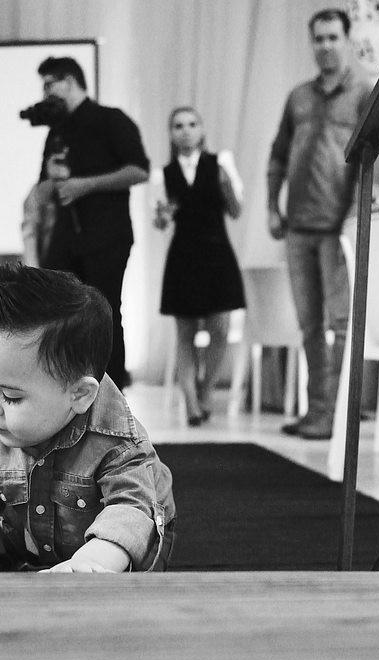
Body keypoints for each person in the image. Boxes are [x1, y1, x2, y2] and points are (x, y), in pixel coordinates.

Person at [0, 264, 175, 574]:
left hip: (119, 551)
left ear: (80, 394)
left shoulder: (120, 446)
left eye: (11, 397)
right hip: (37, 544)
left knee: (118, 574)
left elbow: (130, 509)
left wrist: (88, 566)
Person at [267, 8, 372, 439]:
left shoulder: (364, 93)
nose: (325, 45)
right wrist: (272, 207)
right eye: (319, 38)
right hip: (298, 227)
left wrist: (356, 216)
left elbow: (369, 160)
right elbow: (278, 155)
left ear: (347, 40)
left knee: (341, 325)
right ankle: (318, 411)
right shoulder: (298, 97)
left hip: (337, 228)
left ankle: (342, 414)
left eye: (333, 37)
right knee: (309, 325)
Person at [35, 56, 150, 390]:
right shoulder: (56, 132)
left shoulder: (111, 120)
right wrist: (51, 181)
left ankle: (111, 391)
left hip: (107, 234)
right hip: (65, 237)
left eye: (49, 84)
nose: (45, 93)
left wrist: (85, 185)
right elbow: (42, 191)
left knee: (105, 310)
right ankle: (64, 387)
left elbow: (139, 170)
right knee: (56, 312)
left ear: (70, 81)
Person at [152, 106, 245, 425]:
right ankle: (191, 402)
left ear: (202, 130)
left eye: (192, 124)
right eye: (178, 125)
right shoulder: (163, 174)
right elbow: (161, 222)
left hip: (218, 254)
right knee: (185, 332)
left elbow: (236, 211)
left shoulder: (221, 163)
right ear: (171, 133)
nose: (186, 131)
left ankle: (206, 390)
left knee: (221, 329)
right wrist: (163, 214)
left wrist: (225, 183)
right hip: (184, 257)